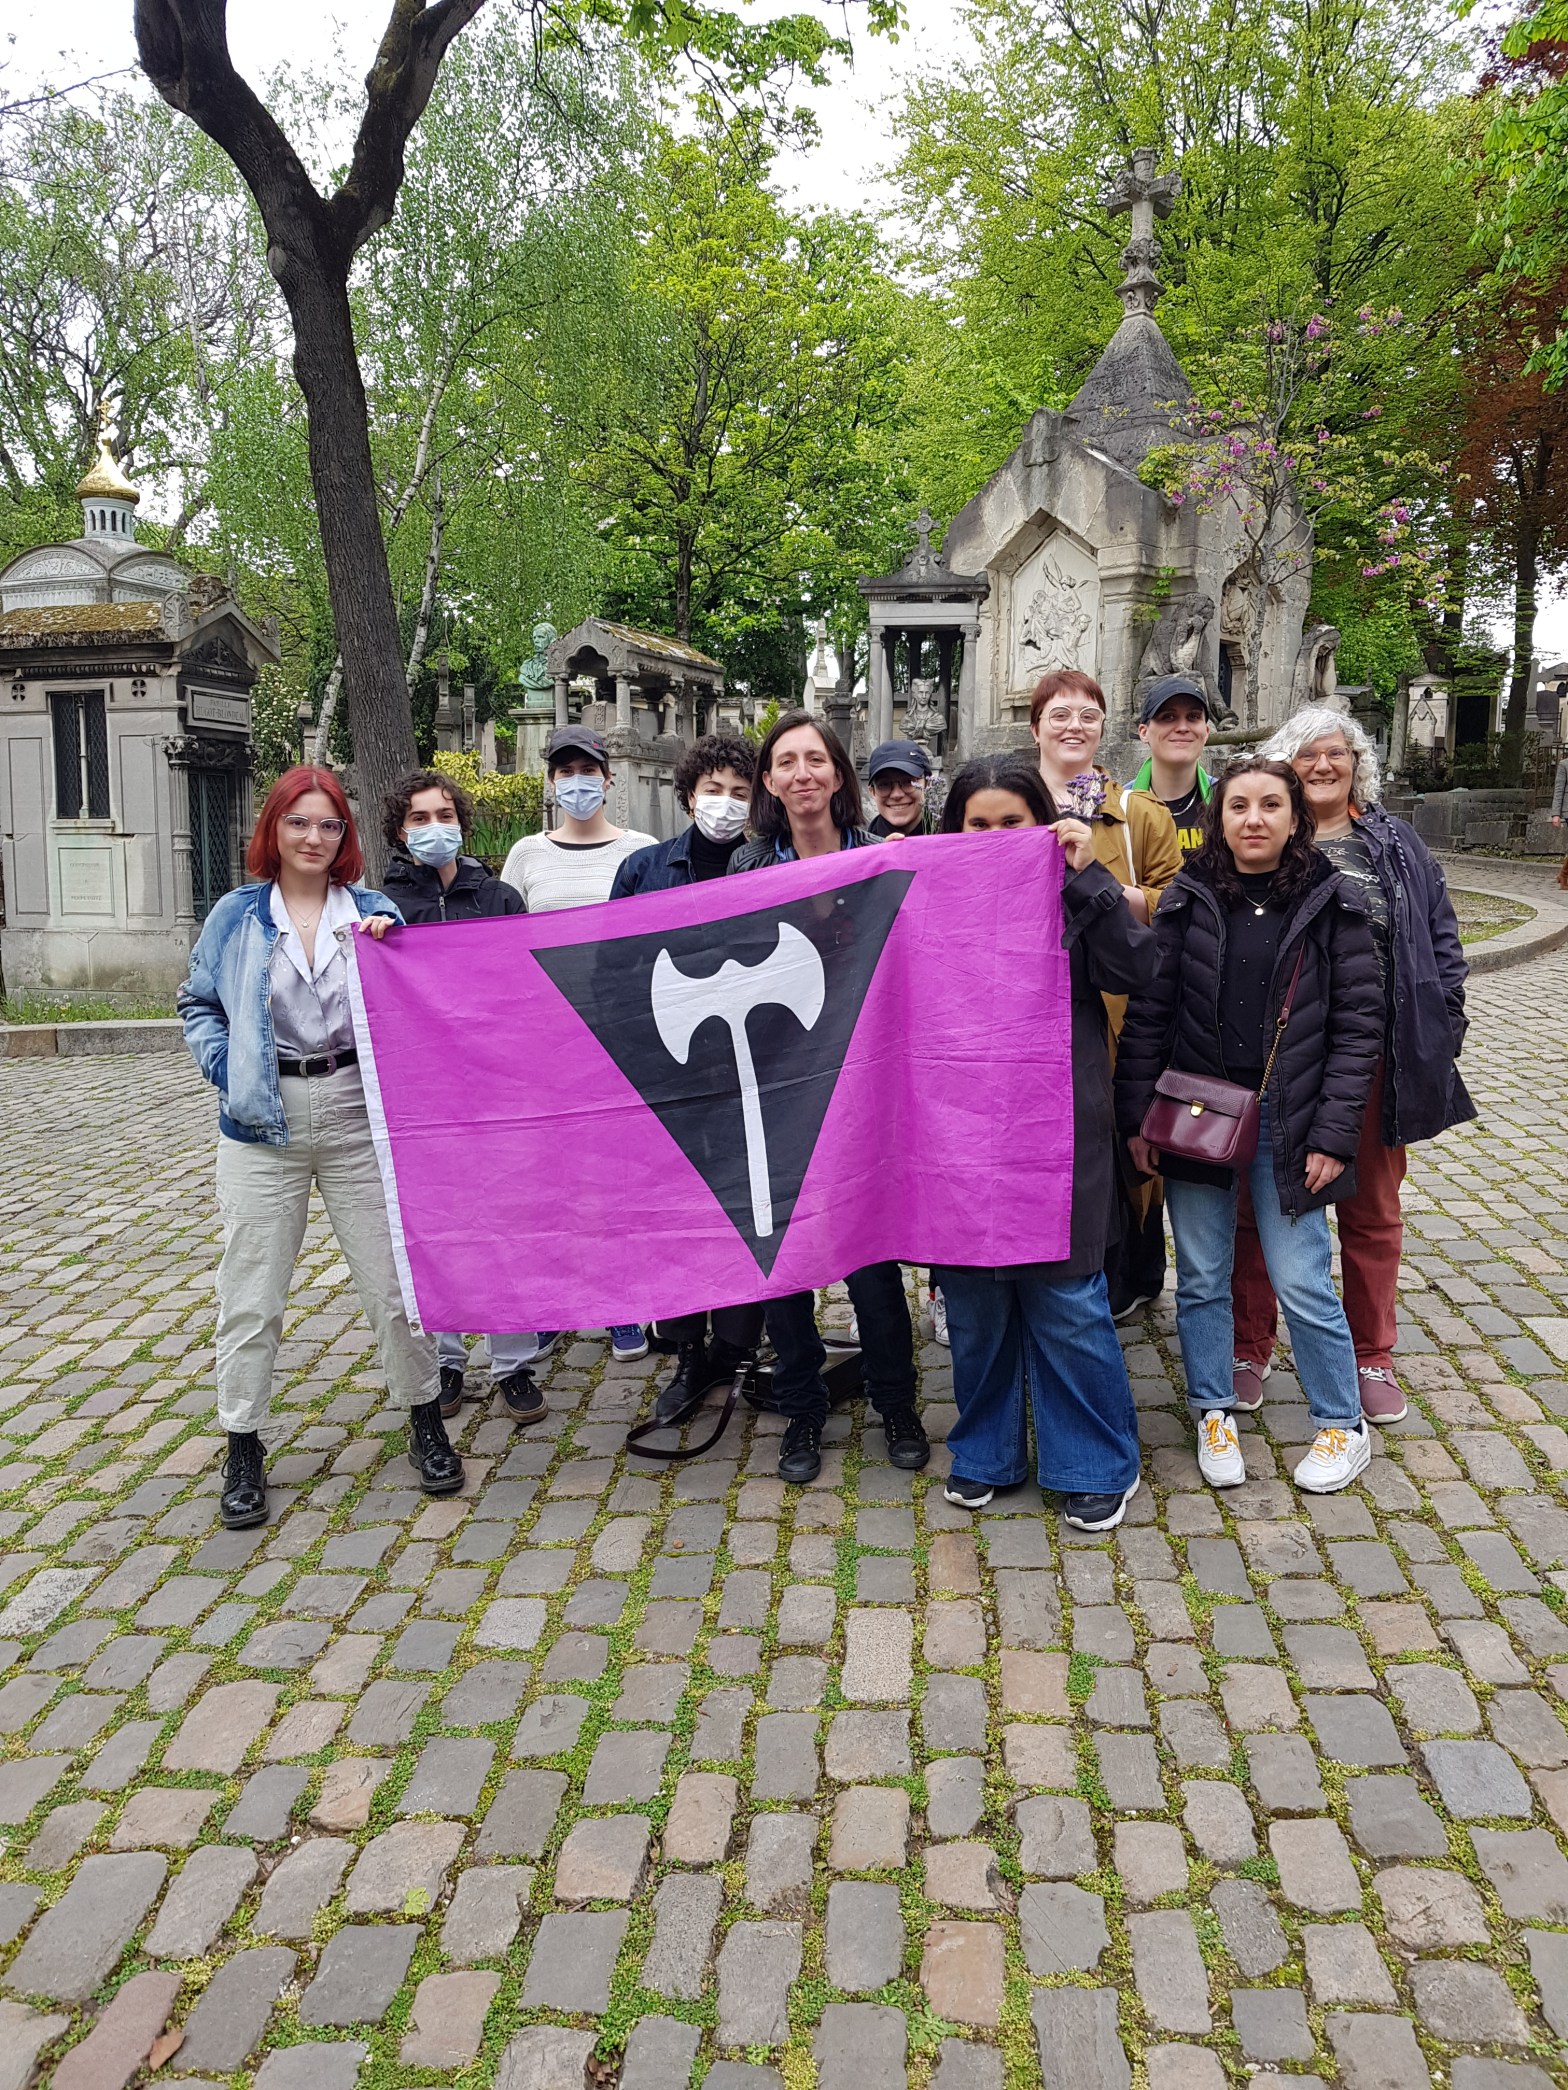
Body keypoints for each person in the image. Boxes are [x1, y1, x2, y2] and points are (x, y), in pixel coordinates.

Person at [178, 766, 464, 1529]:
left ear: (346, 835)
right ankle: (243, 1443)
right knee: (252, 1295)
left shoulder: (371, 912)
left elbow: (419, 1003)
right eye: (298, 822)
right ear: (273, 827)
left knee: (393, 1287)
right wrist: (228, 1068)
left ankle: (425, 1419)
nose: (313, 837)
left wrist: (393, 956)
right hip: (261, 1125)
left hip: (353, 1113)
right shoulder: (238, 916)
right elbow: (197, 1002)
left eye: (328, 824)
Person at [1116, 758, 1385, 1496]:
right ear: (1219, 818)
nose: (1254, 819)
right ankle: (1213, 1409)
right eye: (1238, 805)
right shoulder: (1188, 898)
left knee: (1301, 1278)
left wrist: (1333, 1135)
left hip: (1289, 1121)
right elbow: (1149, 1016)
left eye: (1271, 805)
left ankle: (1342, 1423)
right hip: (1198, 1115)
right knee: (1203, 1276)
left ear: (1295, 819)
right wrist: (1137, 1117)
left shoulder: (1331, 902)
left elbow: (1358, 1027)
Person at [1227, 707, 1476, 1422]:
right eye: (1306, 755)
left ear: (1355, 763)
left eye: (1335, 752)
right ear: (1286, 767)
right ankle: (1248, 1344)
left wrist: (1444, 1020)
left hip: (1375, 1056)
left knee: (1370, 1212)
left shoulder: (1394, 843)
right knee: (1257, 1208)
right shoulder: (1269, 837)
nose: (1323, 765)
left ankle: (1372, 1353)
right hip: (1276, 1061)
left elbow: (1439, 934)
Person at [934, 757, 1158, 1528]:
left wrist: (1089, 877)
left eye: (1012, 823)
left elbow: (1138, 967)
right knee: (975, 1301)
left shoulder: (1075, 893)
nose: (995, 837)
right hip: (957, 1133)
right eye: (979, 824)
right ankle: (986, 1450)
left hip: (1058, 1130)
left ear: (1043, 826)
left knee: (1067, 1300)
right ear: (954, 831)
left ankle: (1096, 1460)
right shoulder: (931, 902)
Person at [728, 709, 928, 1484]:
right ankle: (803, 1406)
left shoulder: (881, 858)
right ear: (770, 781)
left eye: (816, 758)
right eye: (787, 761)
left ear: (838, 773)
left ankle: (896, 1402)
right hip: (779, 1090)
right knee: (785, 1260)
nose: (802, 773)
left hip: (865, 1088)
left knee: (870, 1259)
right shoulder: (747, 868)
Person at [379, 768, 555, 1428]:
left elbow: (528, 986)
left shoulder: (500, 897)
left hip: (497, 1086)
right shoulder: (382, 906)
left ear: (462, 823)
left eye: (444, 815)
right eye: (419, 818)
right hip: (423, 1094)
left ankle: (513, 1363)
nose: (434, 828)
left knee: (508, 1220)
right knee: (441, 1227)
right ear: (400, 831)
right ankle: (447, 1359)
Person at [610, 735, 766, 1420]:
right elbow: (611, 972)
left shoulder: (768, 866)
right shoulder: (643, 870)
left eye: (739, 792)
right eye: (713, 790)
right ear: (688, 794)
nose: (725, 804)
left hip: (749, 1073)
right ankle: (686, 1352)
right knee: (677, 1215)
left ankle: (735, 1347)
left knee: (743, 1211)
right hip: (667, 1075)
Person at [1030, 668, 1182, 1324]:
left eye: (1088, 715)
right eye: (1059, 714)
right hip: (1034, 1015)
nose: (1074, 726)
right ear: (1036, 728)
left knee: (1126, 1147)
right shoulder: (1009, 806)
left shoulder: (1137, 816)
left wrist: (1111, 891)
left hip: (1118, 1012)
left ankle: (1128, 1278)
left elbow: (1180, 902)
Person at [502, 725, 657, 1362]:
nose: (576, 782)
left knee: (615, 1178)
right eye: (564, 772)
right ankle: (553, 1304)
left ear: (608, 778)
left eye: (586, 770)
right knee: (550, 1180)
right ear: (550, 782)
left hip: (621, 1040)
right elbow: (499, 943)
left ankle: (621, 1303)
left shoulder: (642, 852)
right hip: (545, 1046)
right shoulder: (526, 856)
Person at [1125, 673, 1216, 859]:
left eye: (1193, 717)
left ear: (1206, 732)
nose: (1182, 727)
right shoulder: (1120, 805)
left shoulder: (1225, 799)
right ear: (1143, 732)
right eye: (1168, 717)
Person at [866, 739, 936, 836]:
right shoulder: (858, 843)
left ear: (927, 785)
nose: (896, 794)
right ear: (872, 792)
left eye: (908, 782)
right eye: (884, 784)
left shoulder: (950, 837)